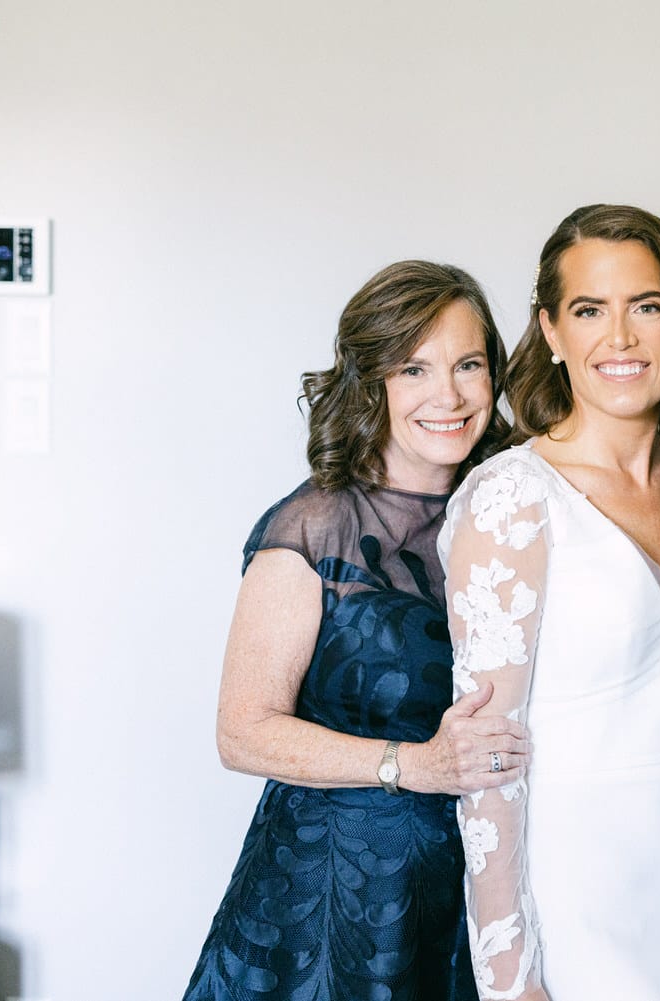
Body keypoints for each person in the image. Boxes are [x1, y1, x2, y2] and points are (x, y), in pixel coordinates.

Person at [184, 261, 530, 1001]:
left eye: (469, 364)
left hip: (481, 893)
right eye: (415, 368)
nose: (449, 394)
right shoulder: (313, 526)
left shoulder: (519, 507)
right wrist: (412, 764)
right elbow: (241, 730)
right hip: (330, 905)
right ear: (370, 381)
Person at [437, 204, 660, 1001]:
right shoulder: (511, 501)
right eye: (588, 311)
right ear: (550, 330)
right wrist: (511, 975)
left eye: (647, 306)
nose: (621, 338)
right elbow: (485, 766)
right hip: (579, 896)